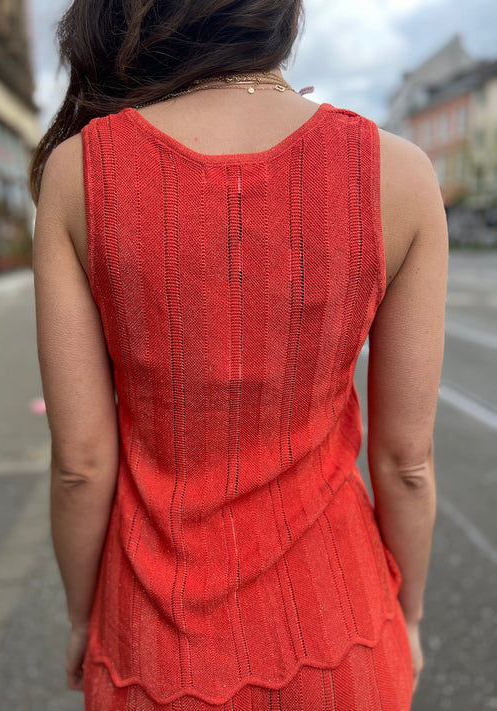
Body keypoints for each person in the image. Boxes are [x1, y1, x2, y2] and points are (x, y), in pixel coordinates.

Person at [29, 1, 448, 709]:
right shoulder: (399, 173)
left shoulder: (79, 174)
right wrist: (405, 615)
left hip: (154, 648)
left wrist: (81, 617)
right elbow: (406, 462)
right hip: (343, 625)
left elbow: (81, 465)